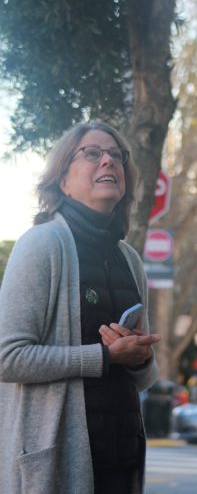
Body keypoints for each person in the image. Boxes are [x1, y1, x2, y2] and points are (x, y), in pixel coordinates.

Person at [0, 120, 161, 494]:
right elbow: (7, 357)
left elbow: (142, 376)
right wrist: (103, 357)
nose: (108, 161)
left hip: (124, 459)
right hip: (57, 464)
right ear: (63, 179)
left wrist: (138, 357)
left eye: (116, 156)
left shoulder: (131, 260)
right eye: (92, 153)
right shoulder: (41, 245)